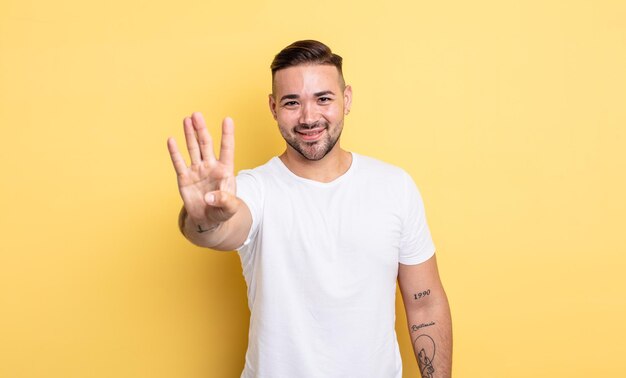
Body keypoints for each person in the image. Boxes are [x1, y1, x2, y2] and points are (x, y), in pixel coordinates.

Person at [167, 40, 452, 378]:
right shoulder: (253, 189)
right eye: (292, 102)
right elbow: (223, 229)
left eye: (323, 98)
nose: (309, 117)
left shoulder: (394, 186)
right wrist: (203, 219)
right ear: (273, 108)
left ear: (346, 100)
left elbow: (425, 304)